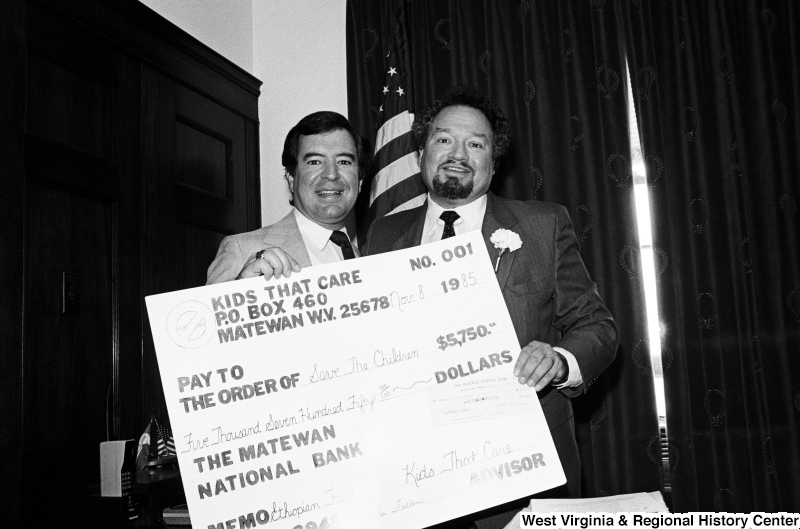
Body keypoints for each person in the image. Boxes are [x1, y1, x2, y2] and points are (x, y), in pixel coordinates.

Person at [363, 86, 618, 529]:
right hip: (415, 480)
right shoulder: (382, 236)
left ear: (493, 162)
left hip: (521, 479)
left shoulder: (542, 225)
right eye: (444, 139)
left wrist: (559, 360)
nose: (458, 153)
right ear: (421, 151)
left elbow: (597, 327)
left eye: (476, 144)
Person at [207, 111, 369, 285]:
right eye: (314, 161)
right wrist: (241, 289)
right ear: (291, 178)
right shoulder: (242, 250)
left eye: (344, 162)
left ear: (359, 180)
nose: (331, 174)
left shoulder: (367, 259)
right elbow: (203, 312)